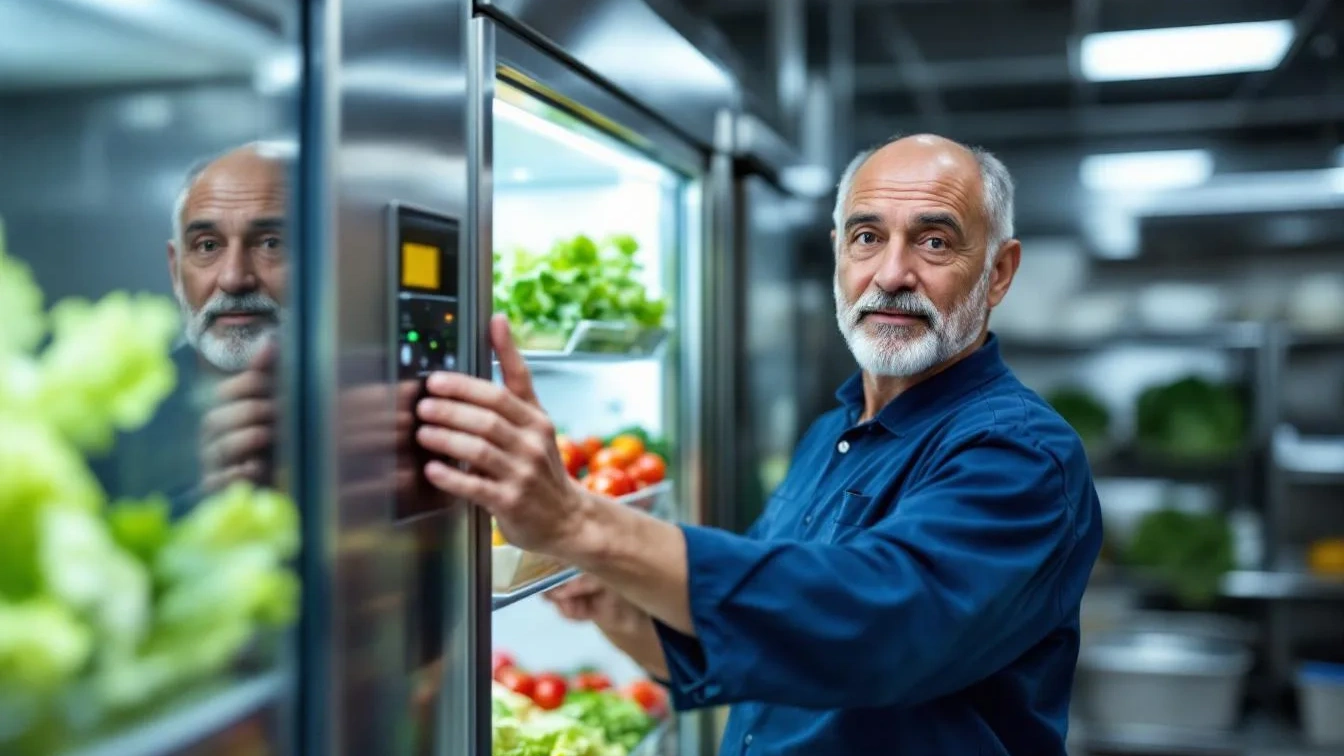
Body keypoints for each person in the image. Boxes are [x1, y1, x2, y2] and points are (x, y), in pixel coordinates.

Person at [415, 133, 1103, 755]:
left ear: (1000, 272)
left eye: (933, 241)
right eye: (867, 236)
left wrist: (578, 520)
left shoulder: (1022, 455)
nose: (891, 274)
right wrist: (618, 604)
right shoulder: (831, 433)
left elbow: (873, 627)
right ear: (838, 253)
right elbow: (767, 647)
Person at [91, 142, 289, 511]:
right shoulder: (112, 424)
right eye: (208, 245)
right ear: (175, 270)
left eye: (271, 243)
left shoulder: (370, 402)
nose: (233, 278)